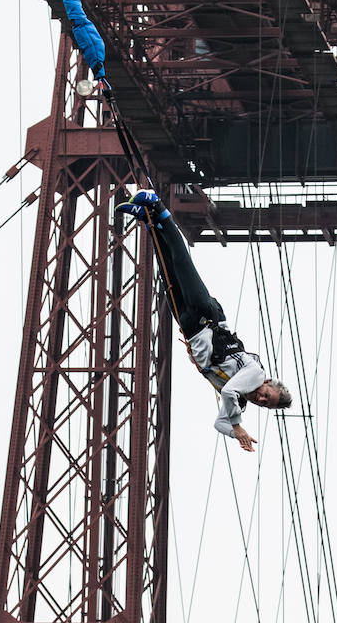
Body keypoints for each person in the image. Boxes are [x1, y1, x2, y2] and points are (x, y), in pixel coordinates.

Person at [116, 189, 292, 451]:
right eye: (268, 395)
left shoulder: (239, 402)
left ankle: (147, 219)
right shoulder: (254, 374)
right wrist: (238, 424)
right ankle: (157, 204)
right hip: (207, 317)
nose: (262, 399)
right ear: (268, 383)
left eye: (266, 404)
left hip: (190, 329)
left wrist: (235, 431)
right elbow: (230, 392)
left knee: (167, 269)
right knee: (182, 262)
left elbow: (218, 424)